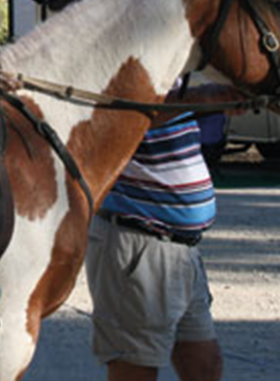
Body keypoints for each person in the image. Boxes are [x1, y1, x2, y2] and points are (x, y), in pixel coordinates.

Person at [86, 87, 237, 381]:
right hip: (139, 241)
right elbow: (125, 113)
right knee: (136, 367)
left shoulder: (171, 70)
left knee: (204, 365)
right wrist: (199, 99)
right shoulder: (122, 63)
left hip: (183, 249)